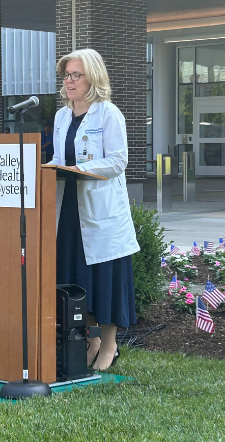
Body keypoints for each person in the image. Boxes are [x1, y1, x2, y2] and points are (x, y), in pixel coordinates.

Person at [46, 48, 140, 371]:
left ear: (92, 78)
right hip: (69, 210)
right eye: (67, 75)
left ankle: (110, 345)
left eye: (76, 75)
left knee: (104, 279)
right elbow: (61, 157)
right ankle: (91, 340)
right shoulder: (61, 117)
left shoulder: (108, 114)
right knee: (76, 277)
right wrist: (48, 167)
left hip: (102, 212)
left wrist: (84, 169)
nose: (69, 82)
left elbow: (118, 160)